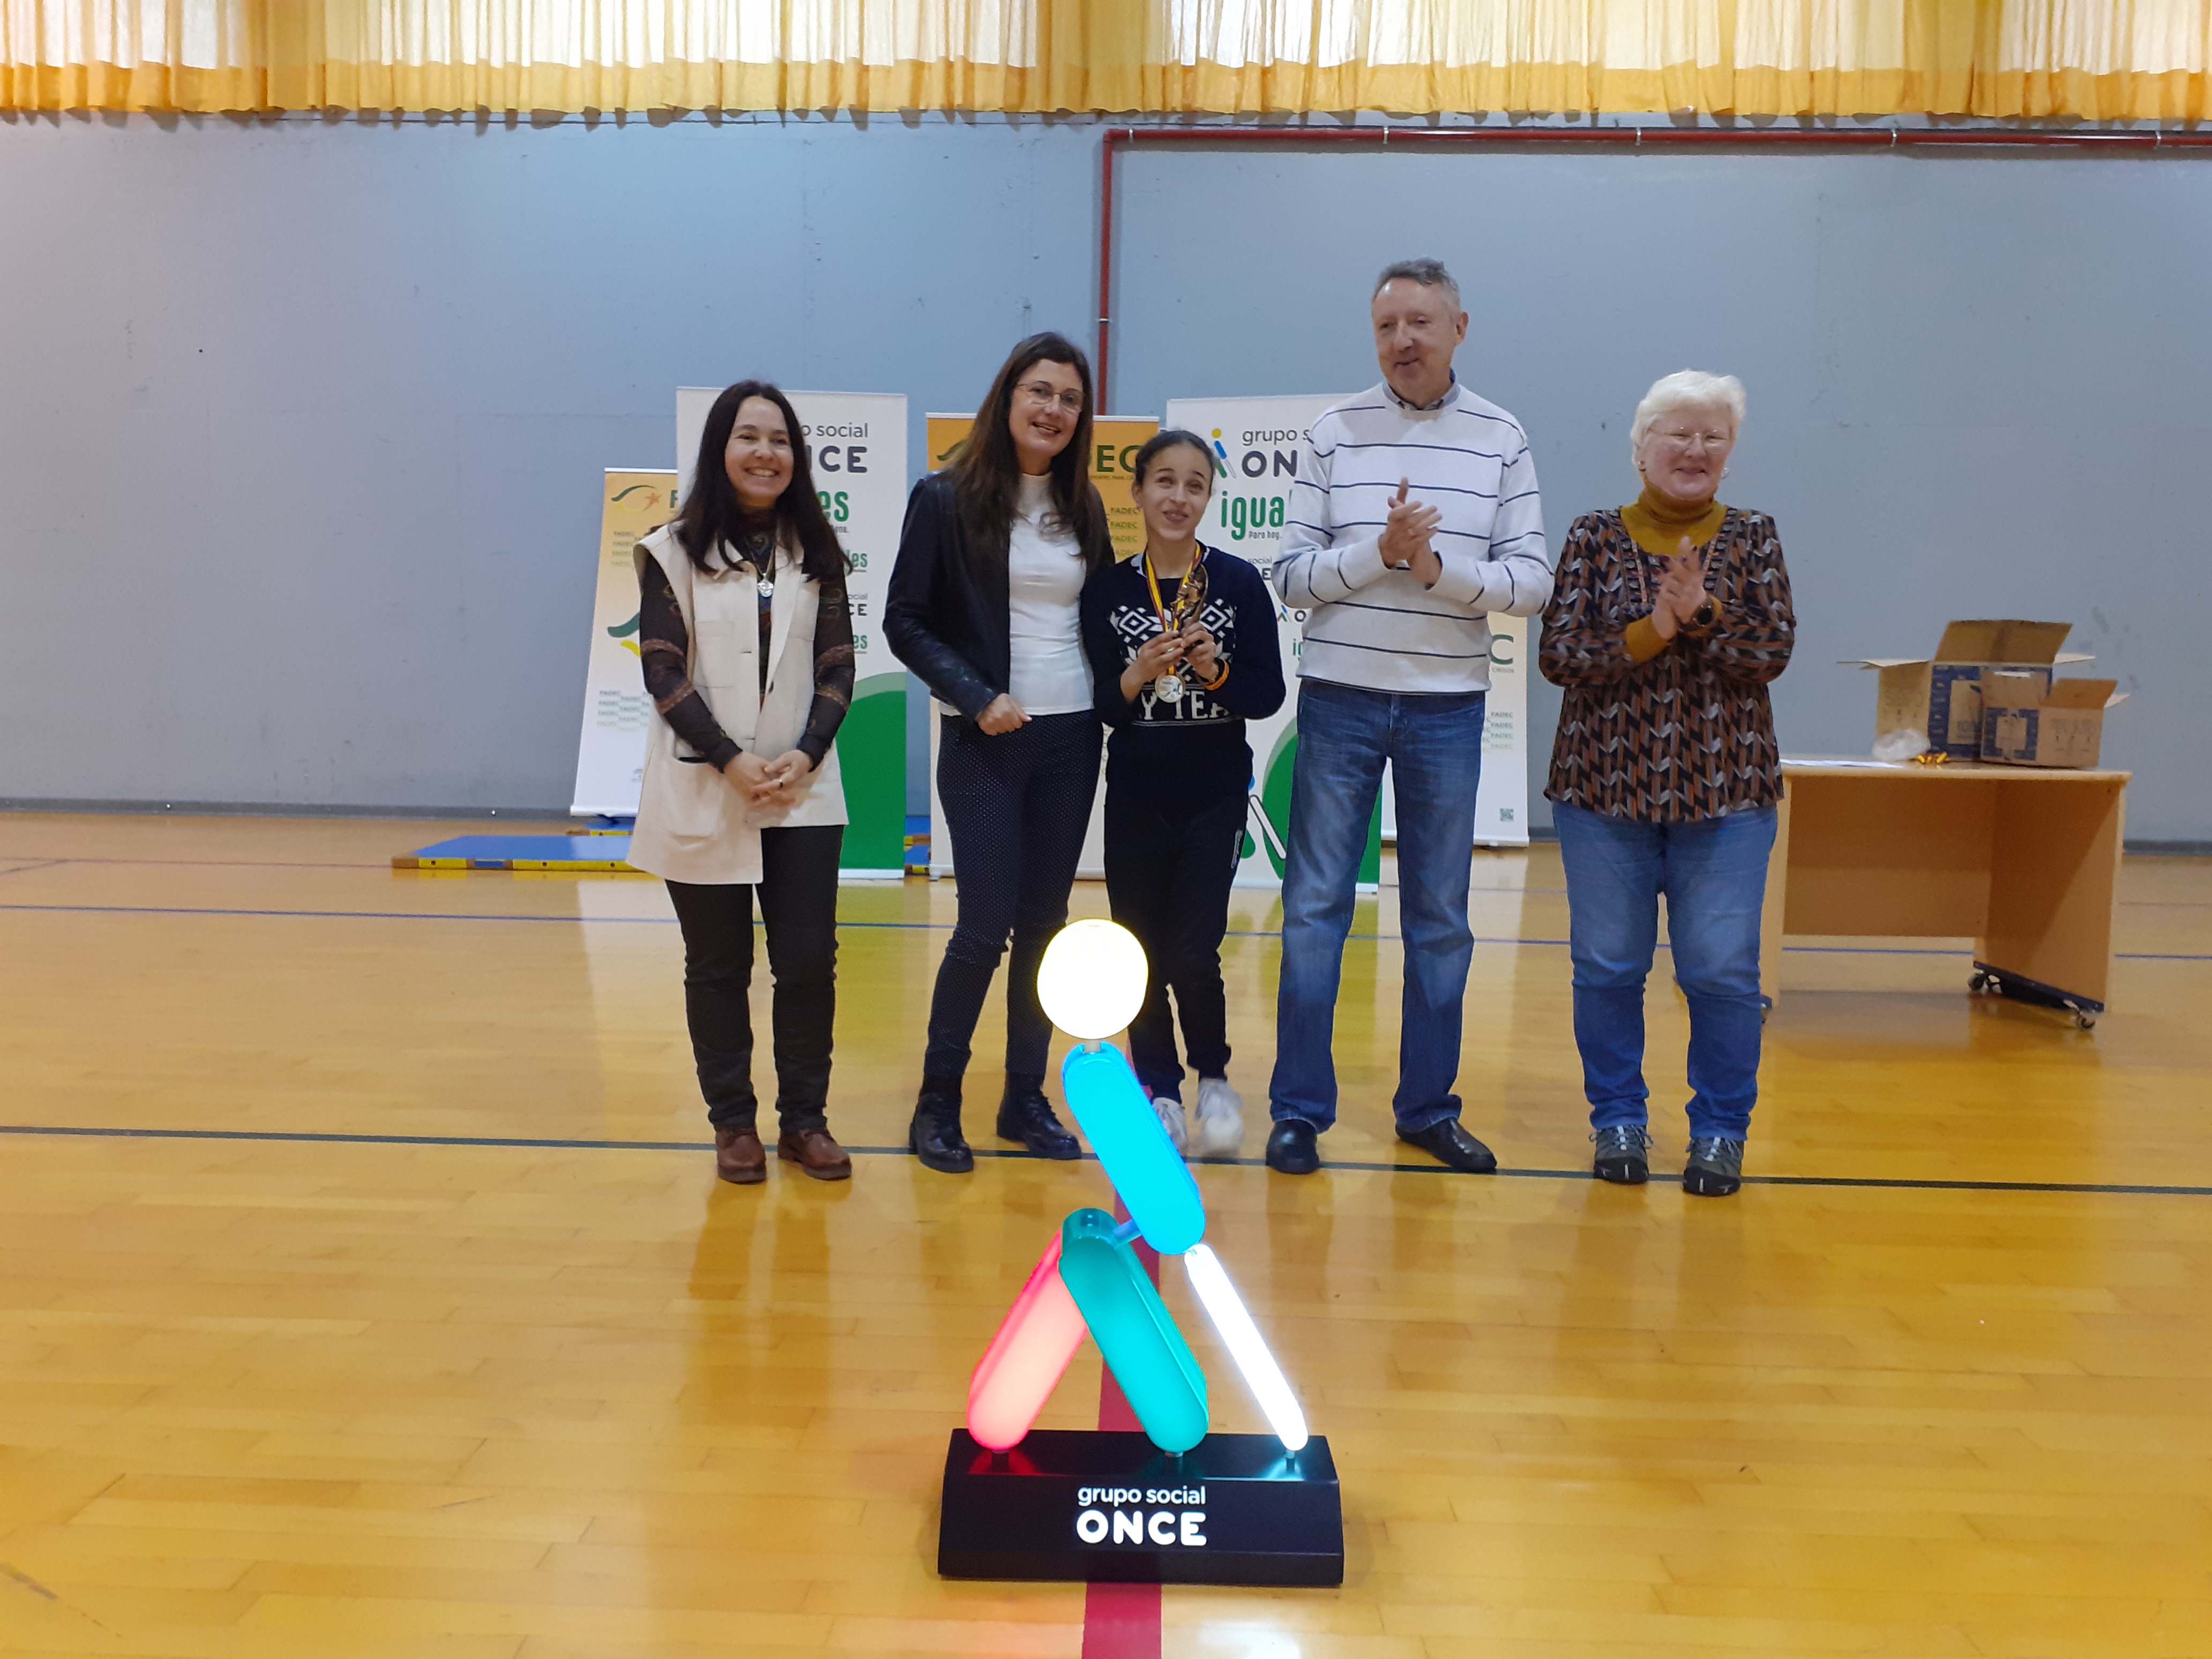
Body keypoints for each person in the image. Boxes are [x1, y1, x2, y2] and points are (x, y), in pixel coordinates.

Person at [1266, 257, 1553, 1177]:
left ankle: (1428, 1110)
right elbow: (1290, 577)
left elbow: (1533, 584)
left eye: (1421, 323)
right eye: (1387, 325)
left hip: (1448, 709)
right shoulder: (1333, 432)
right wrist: (1379, 555)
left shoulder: (1501, 437)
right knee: (1314, 909)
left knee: (1440, 919)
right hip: (1340, 699)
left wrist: (1433, 571)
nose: (1403, 341)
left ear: (1460, 330)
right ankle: (1298, 1112)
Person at [1538, 370, 1796, 1197]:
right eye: (1678, 434)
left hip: (1727, 799)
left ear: (1730, 453)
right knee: (1608, 967)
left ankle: (1720, 1131)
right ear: (1641, 447)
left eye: (1713, 436)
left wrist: (1705, 614)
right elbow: (1561, 655)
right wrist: (1654, 628)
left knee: (1720, 973)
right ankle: (1617, 1119)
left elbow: (1772, 652)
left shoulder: (1754, 537)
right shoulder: (1591, 536)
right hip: (1601, 797)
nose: (1695, 449)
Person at [884, 333, 1116, 1174]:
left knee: (1045, 929)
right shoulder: (944, 498)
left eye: (1069, 399)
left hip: (1071, 737)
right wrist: (978, 696)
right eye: (1040, 391)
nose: (1053, 409)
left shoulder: (1084, 506)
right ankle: (937, 1102)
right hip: (985, 738)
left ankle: (1025, 1097)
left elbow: (1103, 614)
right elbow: (904, 619)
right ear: (1009, 396)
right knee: (983, 925)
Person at [627, 380, 857, 1186]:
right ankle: (733, 1124)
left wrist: (807, 752)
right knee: (718, 965)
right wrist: (730, 758)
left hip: (802, 788)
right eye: (749, 437)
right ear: (720, 449)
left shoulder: (818, 553)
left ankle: (805, 1122)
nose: (766, 453)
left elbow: (838, 666)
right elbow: (663, 670)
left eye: (780, 440)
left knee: (808, 961)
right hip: (706, 784)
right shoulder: (670, 551)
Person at [1079, 430, 1286, 1158]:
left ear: (1209, 499)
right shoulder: (1108, 590)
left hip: (1214, 795)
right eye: (1164, 482)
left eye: (1195, 485)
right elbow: (1101, 705)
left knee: (1194, 952)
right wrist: (1138, 674)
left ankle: (1215, 1081)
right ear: (1137, 492)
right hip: (1137, 794)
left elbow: (1266, 694)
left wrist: (1216, 671)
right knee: (1139, 952)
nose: (1178, 497)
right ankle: (1160, 1093)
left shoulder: (1237, 583)